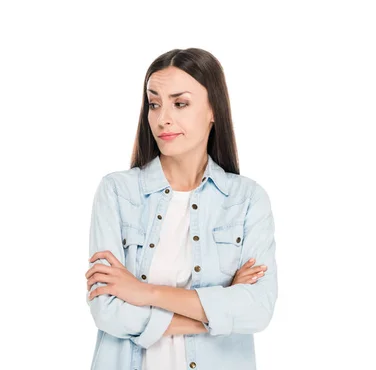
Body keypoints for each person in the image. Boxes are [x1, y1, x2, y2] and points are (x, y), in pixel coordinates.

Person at [84, 48, 277, 370]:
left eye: (180, 103)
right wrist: (218, 311)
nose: (163, 119)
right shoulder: (118, 192)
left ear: (214, 109)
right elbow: (108, 312)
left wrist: (143, 292)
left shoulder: (246, 200)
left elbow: (257, 311)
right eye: (154, 104)